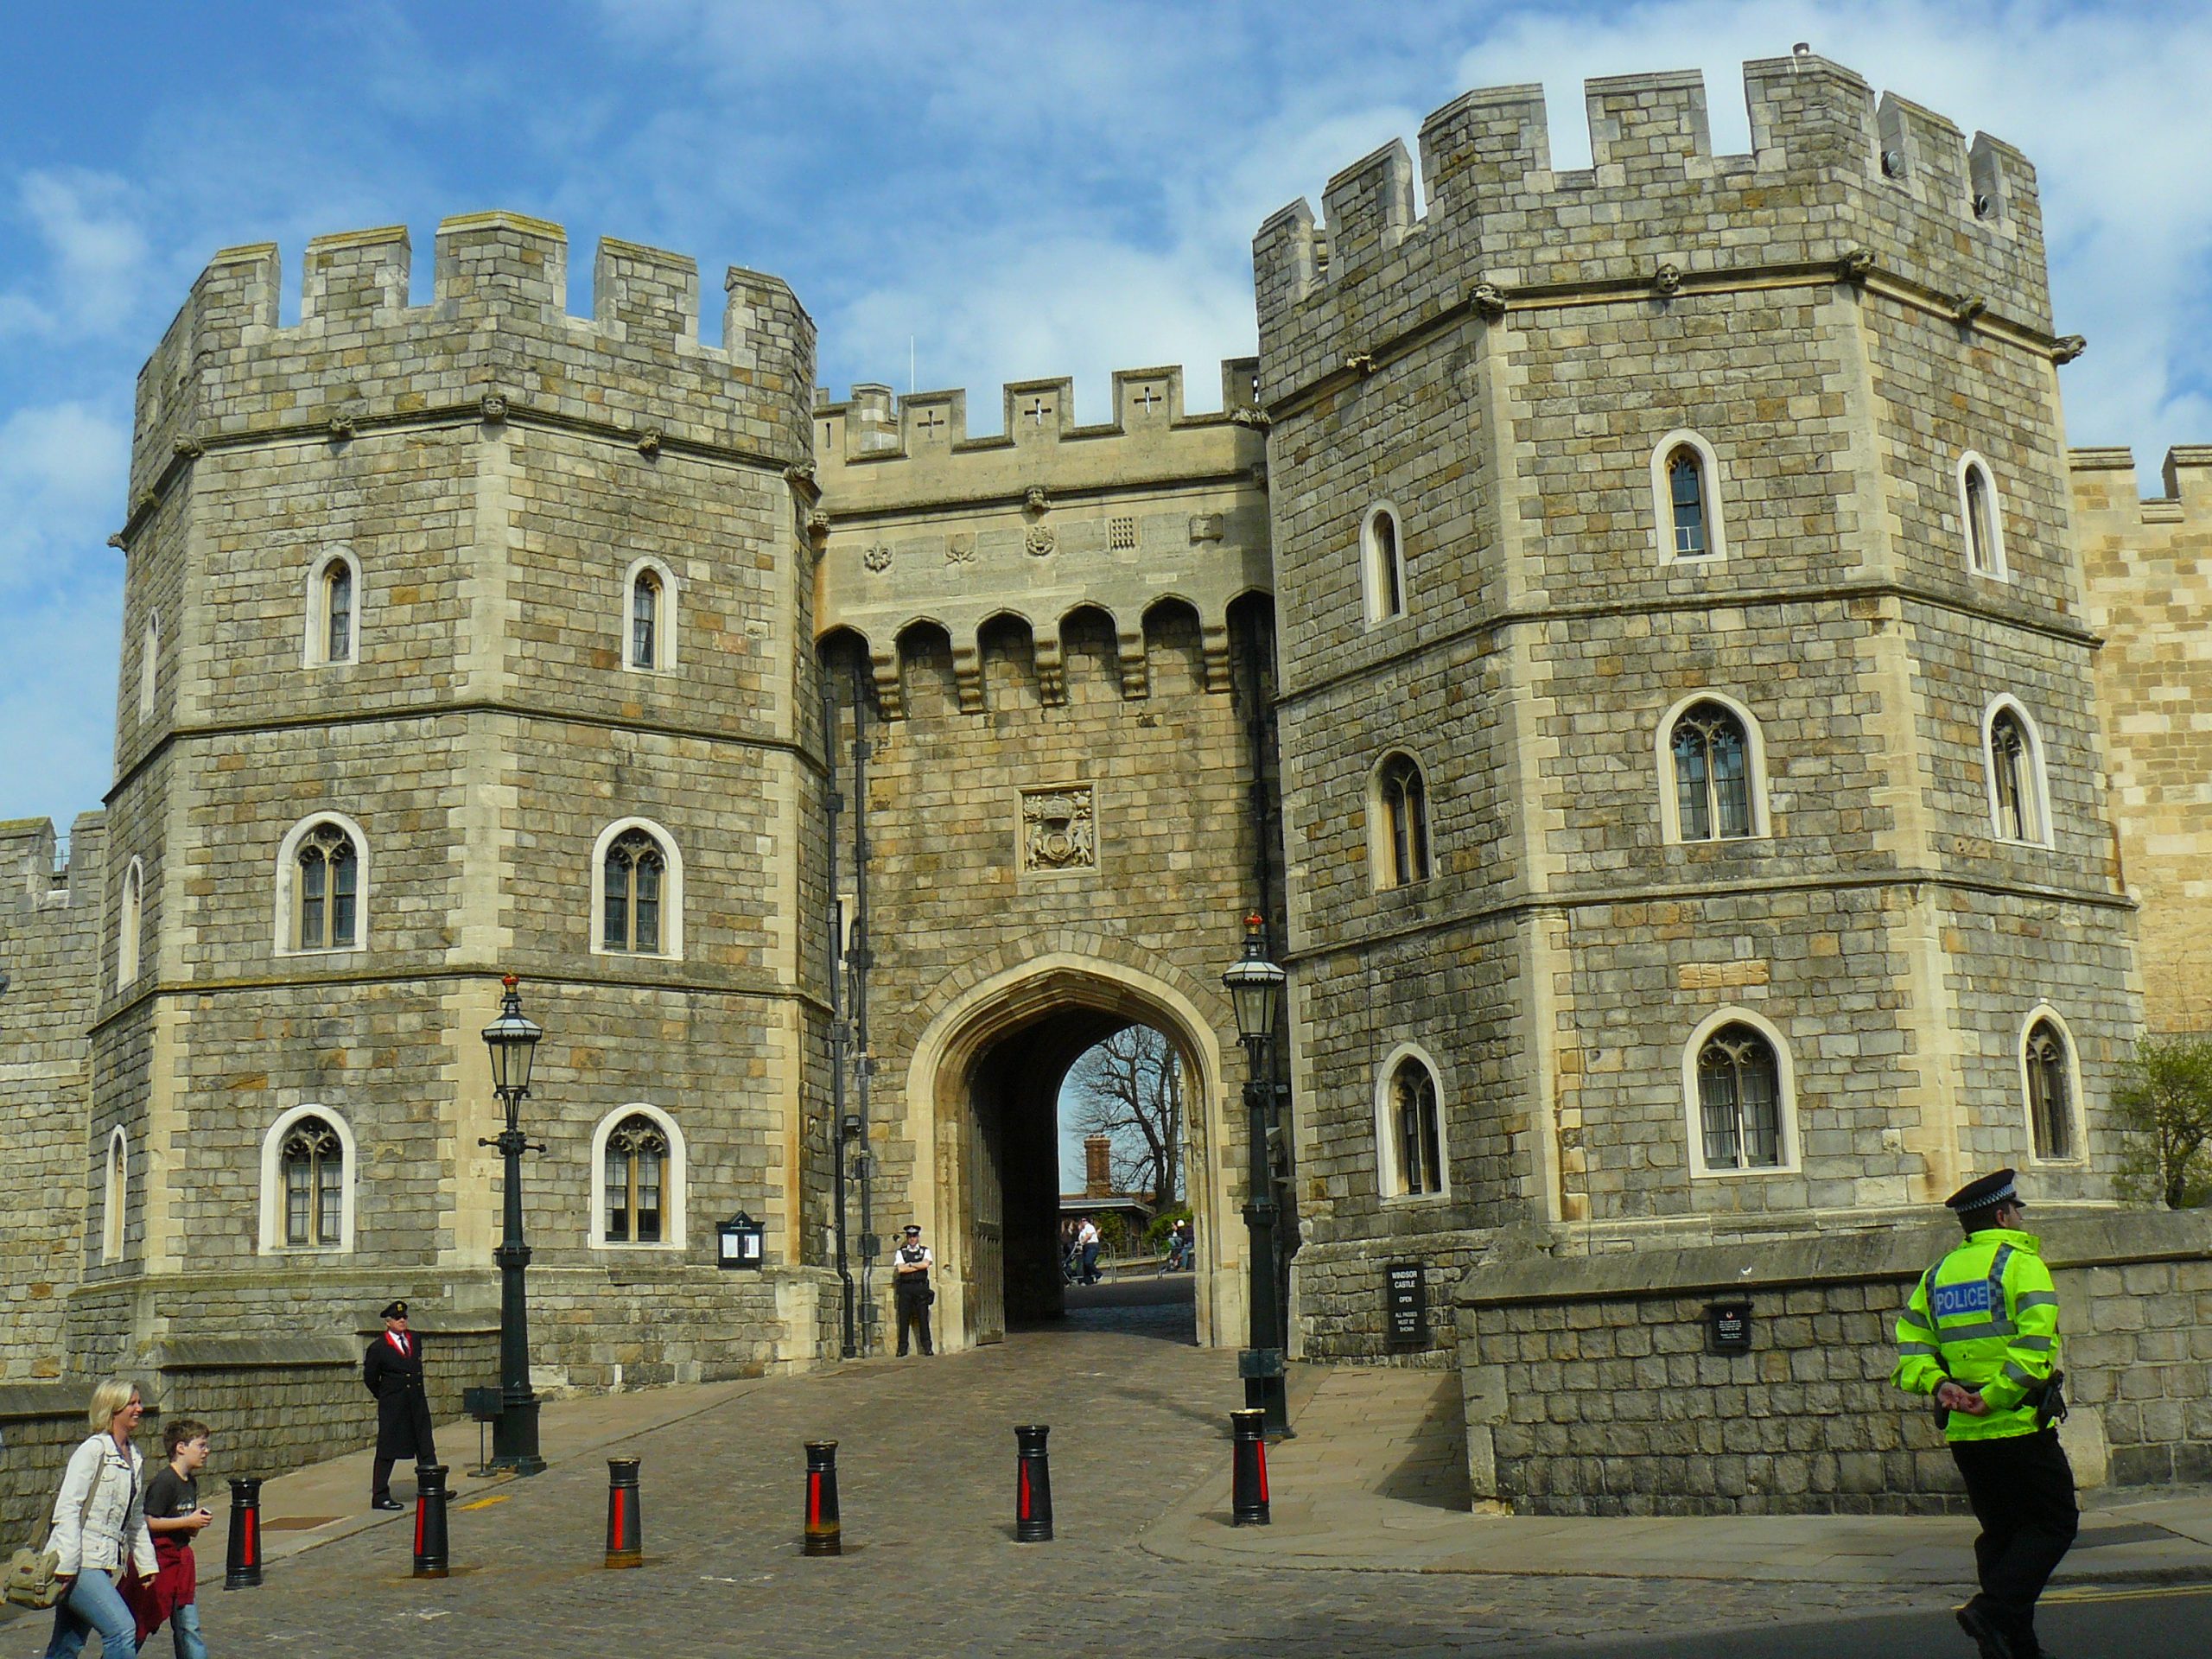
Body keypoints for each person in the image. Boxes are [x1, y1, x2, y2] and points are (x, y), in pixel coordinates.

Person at [1893, 1169, 2075, 1659]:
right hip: (2017, 1424)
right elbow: (2034, 1346)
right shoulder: (2020, 1263)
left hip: (1966, 1435)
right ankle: (1991, 1612)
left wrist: (1940, 1385)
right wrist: (1993, 1397)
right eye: (2016, 1209)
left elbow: (1911, 1347)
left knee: (2003, 1534)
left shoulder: (1937, 1275)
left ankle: (2017, 1646)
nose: (2019, 1217)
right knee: (2055, 1524)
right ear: (2001, 1214)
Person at [42, 1377, 156, 1659]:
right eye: (132, 1403)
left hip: (103, 1562)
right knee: (122, 1629)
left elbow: (136, 1517)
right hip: (80, 1562)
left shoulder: (135, 1457)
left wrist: (146, 1563)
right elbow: (67, 1508)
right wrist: (67, 1566)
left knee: (67, 1644)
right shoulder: (93, 1450)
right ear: (113, 1408)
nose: (139, 1408)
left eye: (139, 1402)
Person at [138, 1419, 212, 1659]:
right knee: (139, 1625)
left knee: (189, 1626)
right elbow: (148, 1521)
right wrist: (186, 1522)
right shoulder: (164, 1482)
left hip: (182, 1565)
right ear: (181, 1447)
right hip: (160, 1563)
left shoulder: (190, 1482)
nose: (206, 1451)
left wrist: (195, 1524)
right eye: (201, 1445)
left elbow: (185, 1525)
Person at [363, 1300, 439, 1511]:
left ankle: (432, 1486)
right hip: (394, 1406)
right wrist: (386, 1396)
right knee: (388, 1449)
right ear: (388, 1322)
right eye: (398, 1318)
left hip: (416, 1402)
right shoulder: (378, 1348)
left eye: (404, 1317)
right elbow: (370, 1378)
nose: (402, 1321)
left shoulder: (415, 1338)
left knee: (425, 1445)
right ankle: (380, 1495)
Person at [891, 1224, 934, 1357]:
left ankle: (927, 1347)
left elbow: (926, 1264)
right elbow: (901, 1269)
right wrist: (918, 1265)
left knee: (923, 1318)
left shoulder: (925, 1250)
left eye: (914, 1236)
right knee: (904, 1319)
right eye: (910, 1236)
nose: (912, 1239)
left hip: (920, 1287)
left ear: (918, 1237)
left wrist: (909, 1264)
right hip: (906, 1288)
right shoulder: (901, 1252)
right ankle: (902, 1348)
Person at [1076, 1216, 1102, 1285]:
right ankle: (1088, 1281)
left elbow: (1088, 1236)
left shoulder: (1089, 1227)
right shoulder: (1082, 1230)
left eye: (1084, 1220)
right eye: (1082, 1221)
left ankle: (1098, 1274)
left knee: (1088, 1262)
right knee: (1085, 1264)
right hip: (1086, 1247)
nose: (1083, 1222)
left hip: (1092, 1246)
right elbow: (1081, 1238)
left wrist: (1081, 1243)